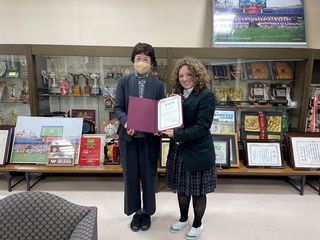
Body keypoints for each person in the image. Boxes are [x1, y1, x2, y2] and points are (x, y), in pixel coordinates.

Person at [162, 57, 216, 240]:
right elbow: (172, 120)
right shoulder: (176, 95)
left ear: (197, 74)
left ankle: (198, 224)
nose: (184, 79)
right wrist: (162, 128)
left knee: (198, 192)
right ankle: (184, 218)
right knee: (182, 189)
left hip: (197, 151)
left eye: (189, 75)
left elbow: (202, 127)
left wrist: (175, 134)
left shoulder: (206, 96)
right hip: (178, 150)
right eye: (181, 75)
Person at [114, 42, 165, 232]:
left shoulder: (158, 85)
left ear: (152, 62)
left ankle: (147, 212)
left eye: (146, 59)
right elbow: (118, 108)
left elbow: (161, 111)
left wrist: (160, 126)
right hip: (129, 139)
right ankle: (136, 212)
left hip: (150, 139)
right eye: (138, 59)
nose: (141, 62)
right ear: (132, 61)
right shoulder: (124, 82)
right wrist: (127, 122)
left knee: (149, 176)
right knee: (131, 176)